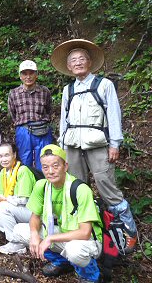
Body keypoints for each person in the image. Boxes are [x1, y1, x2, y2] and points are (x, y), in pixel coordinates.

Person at [51, 38, 137, 253]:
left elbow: (114, 115)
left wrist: (114, 143)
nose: (78, 63)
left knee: (105, 183)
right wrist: (61, 145)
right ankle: (83, 233)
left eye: (82, 59)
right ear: (69, 66)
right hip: (72, 144)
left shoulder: (104, 85)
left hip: (98, 143)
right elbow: (64, 119)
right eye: (73, 60)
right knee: (76, 187)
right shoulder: (67, 90)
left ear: (89, 62)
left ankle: (127, 232)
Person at [11, 145, 103, 283]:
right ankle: (62, 262)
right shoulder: (42, 186)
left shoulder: (80, 189)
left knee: (74, 250)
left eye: (55, 166)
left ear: (65, 166)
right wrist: (35, 235)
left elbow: (85, 233)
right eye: (45, 167)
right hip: (63, 233)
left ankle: (90, 275)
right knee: (20, 231)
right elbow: (35, 217)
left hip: (87, 240)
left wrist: (50, 238)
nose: (50, 171)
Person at [0, 143, 36, 254]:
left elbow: (24, 200)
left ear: (14, 155)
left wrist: (3, 200)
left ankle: (16, 243)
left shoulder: (23, 170)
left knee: (3, 207)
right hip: (18, 211)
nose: (3, 159)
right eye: (1, 156)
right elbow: (2, 195)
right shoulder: (3, 172)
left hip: (32, 211)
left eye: (7, 155)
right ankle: (23, 240)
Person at [8, 60, 53, 170]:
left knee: (44, 162)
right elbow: (12, 114)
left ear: (36, 74)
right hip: (23, 131)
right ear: (20, 76)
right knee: (24, 163)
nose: (28, 77)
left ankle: (43, 185)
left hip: (43, 130)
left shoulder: (44, 92)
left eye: (31, 73)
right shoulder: (14, 93)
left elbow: (49, 110)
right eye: (24, 73)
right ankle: (26, 186)